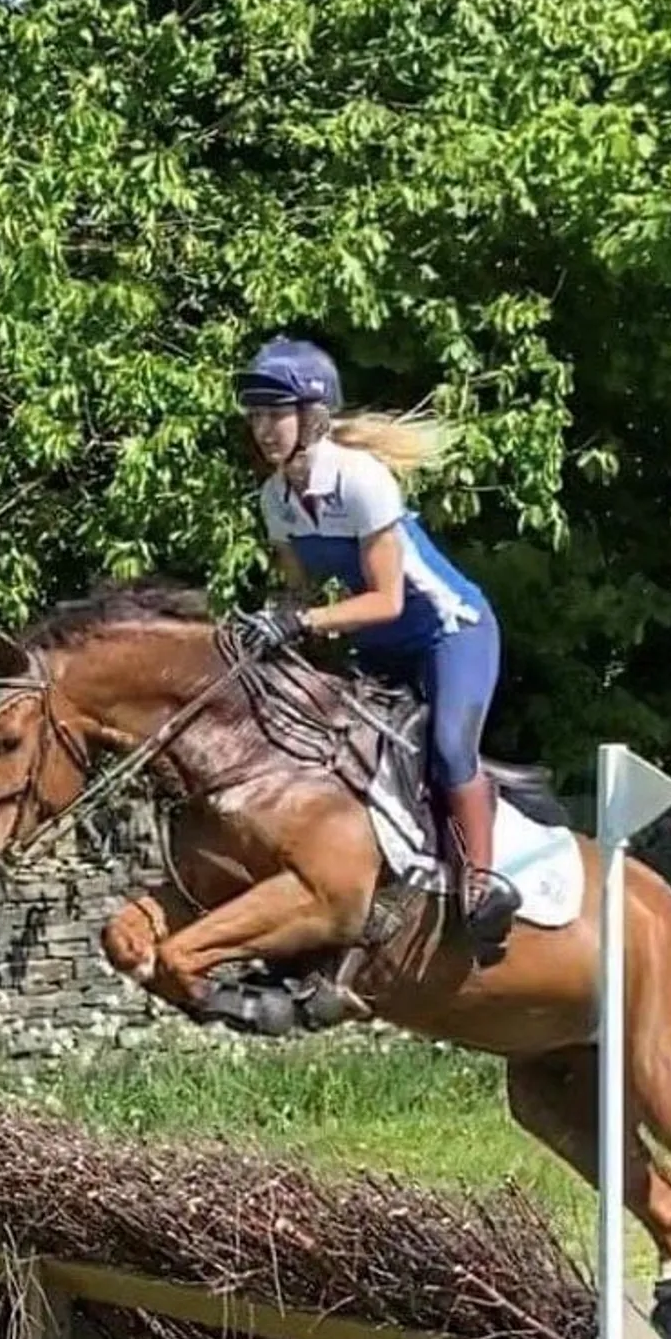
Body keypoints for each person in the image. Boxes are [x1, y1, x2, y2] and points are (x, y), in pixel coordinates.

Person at [228, 336, 518, 958]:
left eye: (274, 414)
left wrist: (302, 622)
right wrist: (266, 623)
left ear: (312, 418)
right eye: (255, 417)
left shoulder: (361, 479)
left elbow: (387, 599)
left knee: (445, 747)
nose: (262, 429)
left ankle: (484, 889)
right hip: (380, 643)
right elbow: (295, 592)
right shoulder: (275, 500)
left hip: (449, 631)